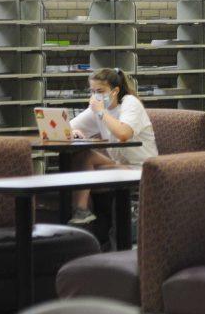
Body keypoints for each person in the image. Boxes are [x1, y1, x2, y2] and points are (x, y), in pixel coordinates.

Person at [65, 67, 158, 225]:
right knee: (83, 156)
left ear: (115, 91)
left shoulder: (130, 103)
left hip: (141, 168)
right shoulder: (96, 109)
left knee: (86, 175)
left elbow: (123, 133)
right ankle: (81, 211)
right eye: (92, 91)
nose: (96, 96)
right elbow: (67, 126)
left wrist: (101, 112)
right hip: (119, 165)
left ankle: (93, 220)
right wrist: (73, 132)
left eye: (100, 91)